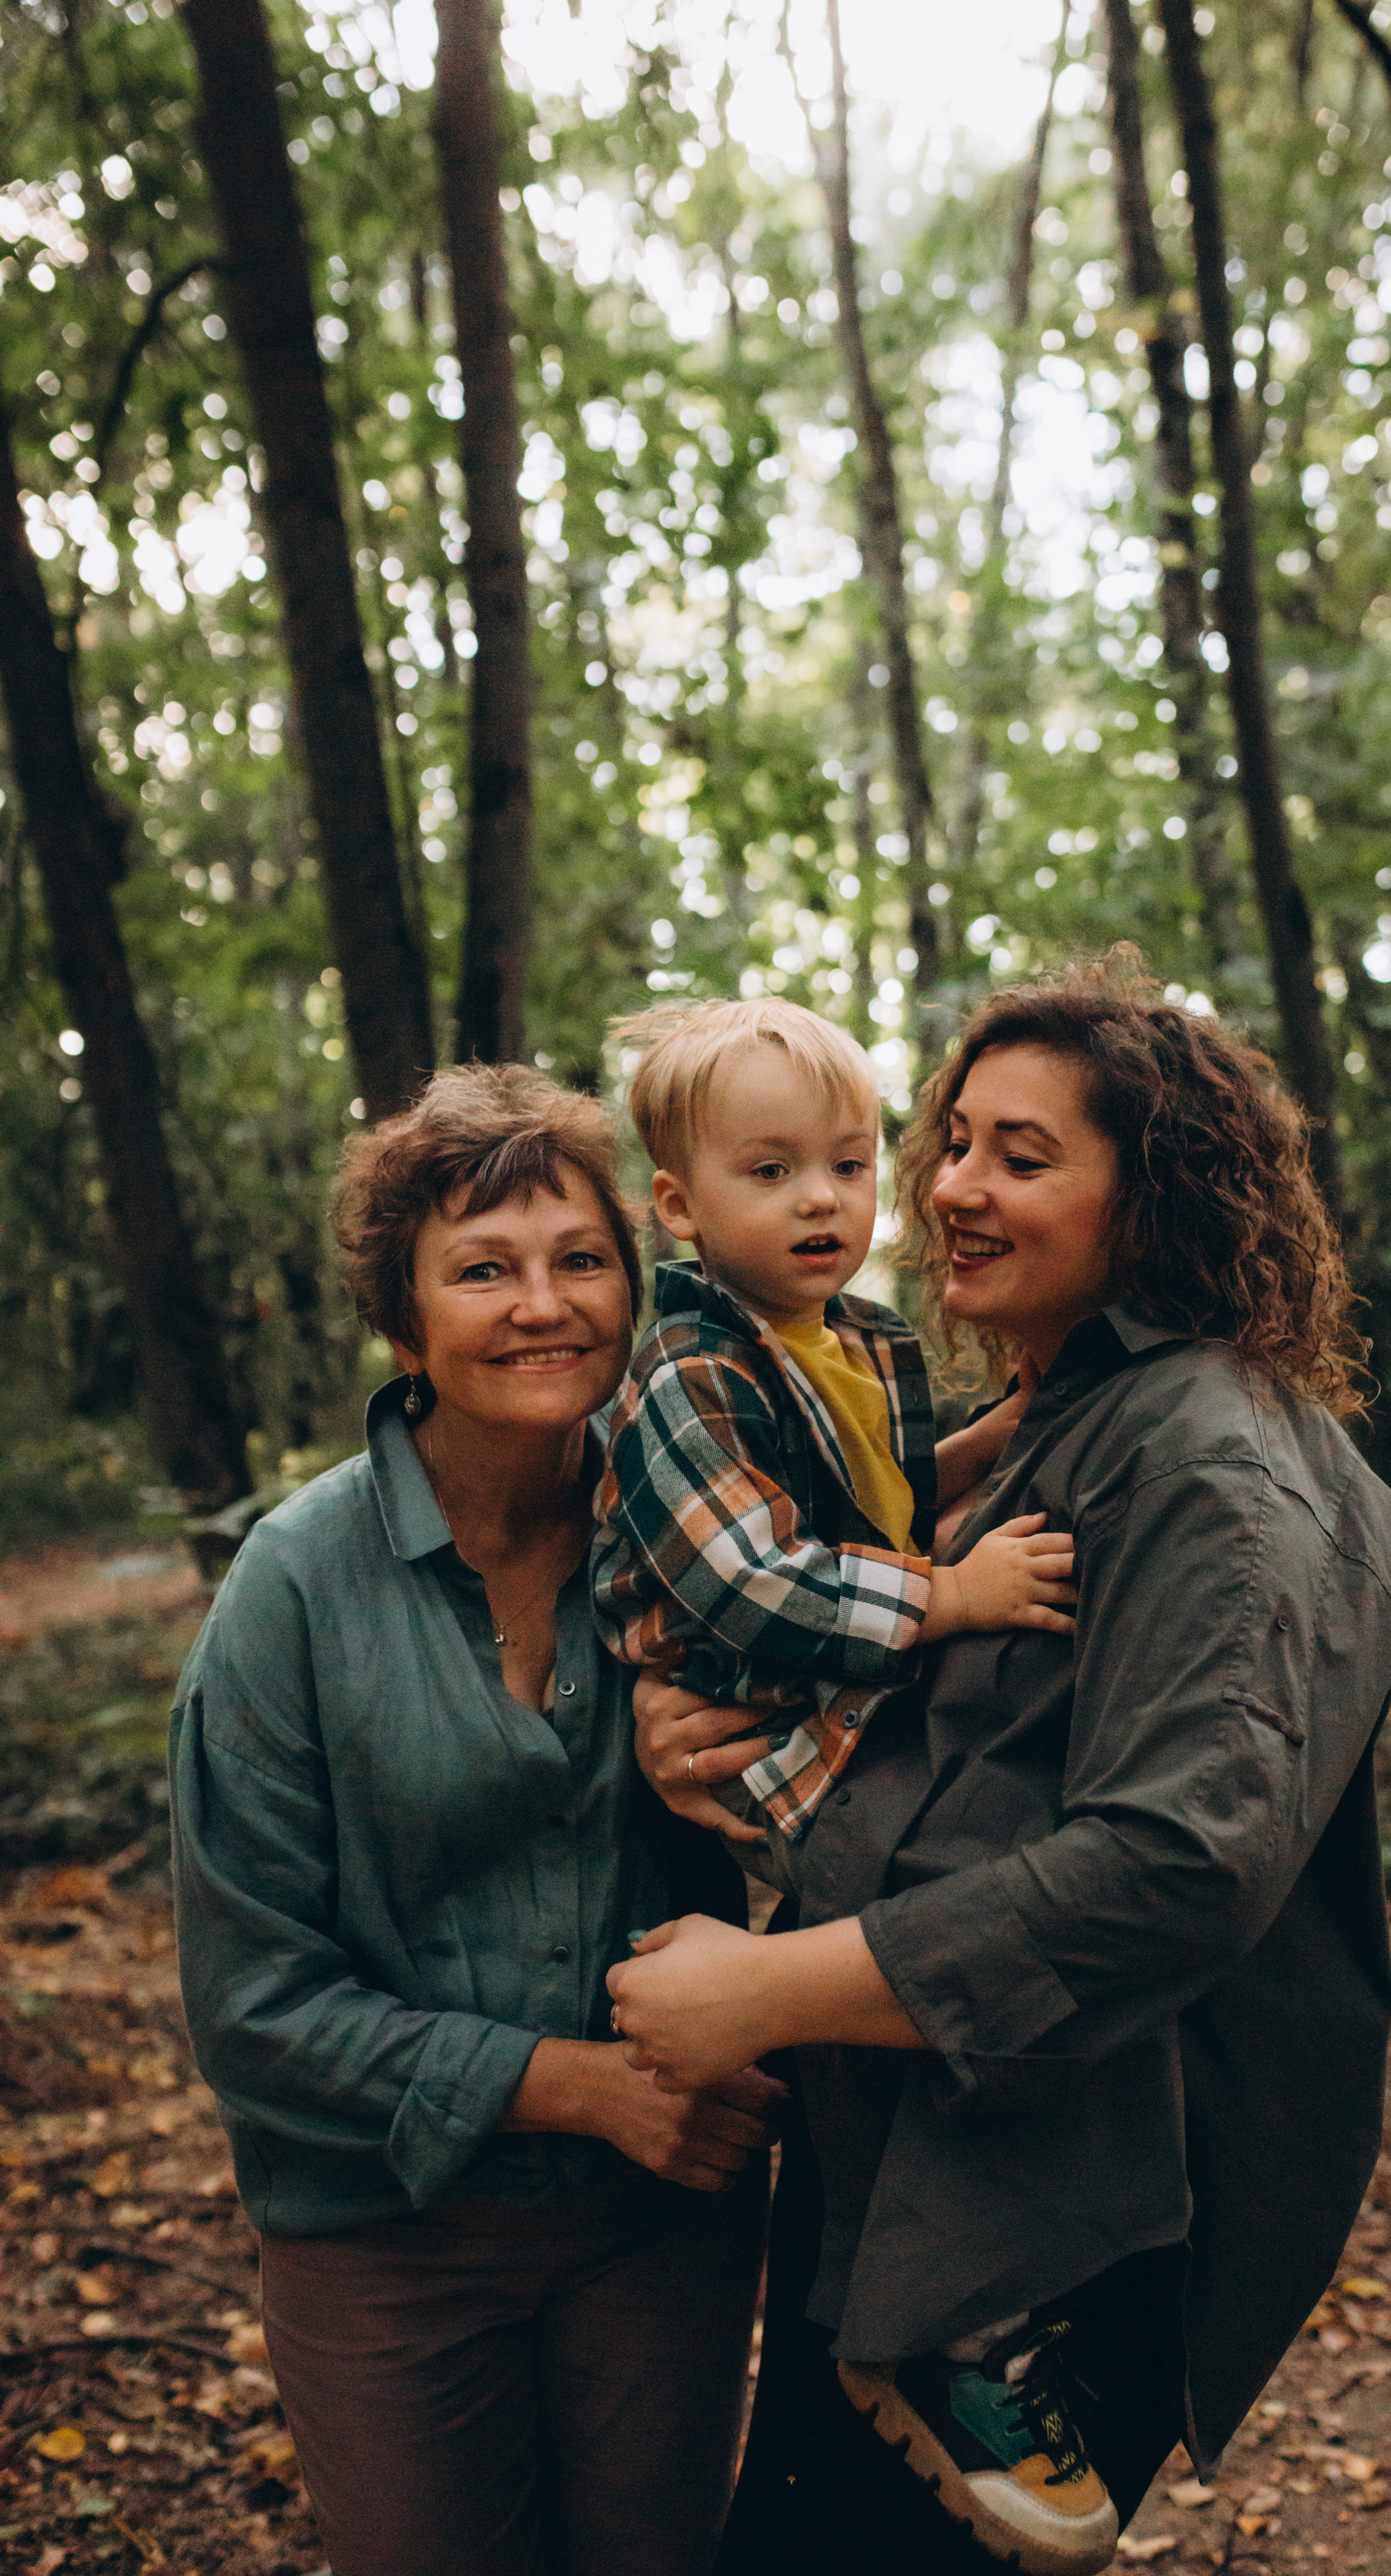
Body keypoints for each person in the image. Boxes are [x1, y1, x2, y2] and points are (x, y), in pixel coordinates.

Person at [609, 956, 1391, 2576]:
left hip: (1059, 2236)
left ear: (1157, 1195)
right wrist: (697, 1726)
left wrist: (765, 1992)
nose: (955, 1189)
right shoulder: (1063, 1416)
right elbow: (925, 1704)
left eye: (1024, 1156)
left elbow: (1175, 1866)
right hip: (917, 2158)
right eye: (956, 1143)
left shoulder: (1216, 1467)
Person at [169, 1066, 781, 2576]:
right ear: (404, 1321)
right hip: (383, 2239)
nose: (541, 1305)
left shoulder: (708, 1544)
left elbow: (869, 1773)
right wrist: (572, 2084)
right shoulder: (294, 1586)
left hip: (663, 2215)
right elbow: (250, 2007)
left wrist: (749, 1782)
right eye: (483, 1269)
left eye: (580, 1261)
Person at [591, 996, 1076, 1899]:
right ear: (681, 1205)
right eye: (770, 1171)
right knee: (1009, 1876)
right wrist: (958, 1594)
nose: (821, 1196)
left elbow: (877, 1501)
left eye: (850, 1165)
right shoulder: (690, 1376)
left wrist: (998, 1437)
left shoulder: (858, 1339)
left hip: (854, 1704)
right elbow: (761, 1583)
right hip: (769, 1748)